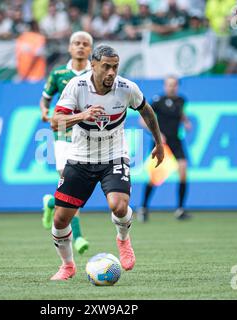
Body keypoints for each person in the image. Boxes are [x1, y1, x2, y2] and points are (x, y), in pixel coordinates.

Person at [48, 44, 165, 280]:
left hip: (114, 156)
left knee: (119, 206)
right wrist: (82, 115)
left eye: (115, 67)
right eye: (106, 67)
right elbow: (55, 122)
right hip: (80, 158)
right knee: (60, 219)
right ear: (93, 65)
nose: (111, 72)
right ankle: (68, 266)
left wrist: (158, 142)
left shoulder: (126, 88)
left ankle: (123, 239)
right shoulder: (77, 86)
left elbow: (147, 111)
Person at [40, 31, 93, 255]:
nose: (80, 47)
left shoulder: (97, 72)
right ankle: (79, 237)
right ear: (70, 48)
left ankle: (52, 203)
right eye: (76, 43)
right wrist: (44, 110)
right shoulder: (59, 73)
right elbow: (46, 96)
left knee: (79, 186)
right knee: (69, 179)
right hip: (62, 132)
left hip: (88, 135)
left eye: (85, 44)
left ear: (91, 49)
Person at [136, 76, 192, 222]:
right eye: (169, 85)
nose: (171, 87)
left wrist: (186, 122)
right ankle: (143, 208)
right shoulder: (158, 101)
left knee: (183, 170)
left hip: (176, 140)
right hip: (160, 143)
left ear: (177, 86)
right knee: (155, 177)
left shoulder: (181, 100)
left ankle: (180, 209)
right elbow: (142, 120)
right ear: (164, 86)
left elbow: (180, 114)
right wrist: (157, 134)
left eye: (174, 85)